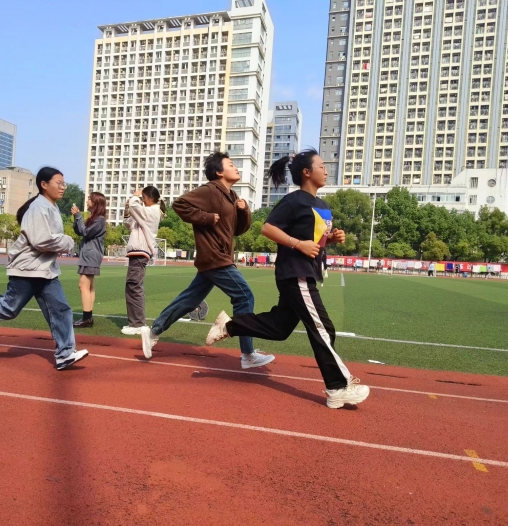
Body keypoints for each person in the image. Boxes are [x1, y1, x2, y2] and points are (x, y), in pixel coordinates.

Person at [205, 149, 370, 409]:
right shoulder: (294, 201)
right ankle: (338, 387)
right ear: (307, 172)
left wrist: (331, 239)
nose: (326, 171)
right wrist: (298, 244)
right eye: (321, 166)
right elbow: (268, 228)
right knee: (323, 329)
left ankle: (230, 325)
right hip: (295, 273)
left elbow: (316, 242)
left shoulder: (322, 205)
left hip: (308, 273)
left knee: (279, 328)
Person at [140, 152, 275, 370]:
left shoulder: (232, 196)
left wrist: (244, 211)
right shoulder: (211, 190)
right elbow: (180, 204)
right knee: (244, 296)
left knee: (189, 300)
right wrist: (207, 218)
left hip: (219, 256)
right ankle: (248, 353)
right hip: (215, 256)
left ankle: (153, 332)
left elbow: (237, 230)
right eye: (231, 164)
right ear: (219, 172)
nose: (236, 168)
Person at [0, 167, 88, 371]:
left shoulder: (51, 207)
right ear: (44, 184)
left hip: (45, 269)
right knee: (9, 308)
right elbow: (41, 240)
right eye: (58, 183)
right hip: (27, 268)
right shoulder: (38, 208)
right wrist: (67, 241)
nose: (63, 187)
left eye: (63, 183)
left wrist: (62, 242)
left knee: (60, 308)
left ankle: (65, 354)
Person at [121, 186, 166, 335]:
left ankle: (138, 324)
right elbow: (129, 224)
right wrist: (127, 209)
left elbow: (135, 207)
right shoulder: (148, 212)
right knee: (133, 286)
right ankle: (136, 322)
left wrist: (135, 196)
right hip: (138, 251)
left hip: (140, 251)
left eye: (144, 198)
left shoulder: (152, 211)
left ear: (150, 198)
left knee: (134, 286)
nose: (142, 200)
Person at [72, 192, 107, 328]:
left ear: (96, 202)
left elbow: (85, 233)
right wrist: (77, 217)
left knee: (83, 285)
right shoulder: (95, 218)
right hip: (90, 255)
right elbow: (79, 231)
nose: (87, 201)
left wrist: (78, 216)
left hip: (90, 256)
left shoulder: (100, 220)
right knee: (89, 287)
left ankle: (86, 318)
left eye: (89, 199)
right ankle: (88, 316)